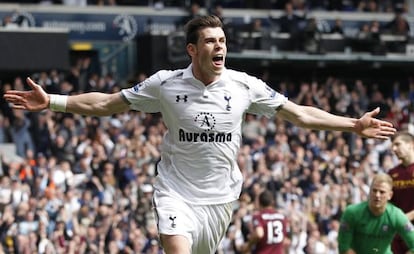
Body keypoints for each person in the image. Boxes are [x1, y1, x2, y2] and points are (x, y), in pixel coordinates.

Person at [4, 15, 396, 254]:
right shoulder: (166, 85)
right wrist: (53, 101)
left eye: (222, 41)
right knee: (176, 247)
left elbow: (300, 115)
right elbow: (107, 104)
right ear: (193, 50)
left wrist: (352, 125)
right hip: (175, 190)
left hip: (221, 198)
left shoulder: (245, 86)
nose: (219, 46)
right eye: (211, 41)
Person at [337, 173, 414, 254]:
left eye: (382, 192)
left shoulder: (396, 215)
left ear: (390, 195)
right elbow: (343, 246)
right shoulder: (352, 212)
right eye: (374, 190)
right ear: (369, 191)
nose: (377, 195)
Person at [388, 131, 414, 254]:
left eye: (397, 144)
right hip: (398, 233)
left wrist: (406, 217)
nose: (394, 149)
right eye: (393, 146)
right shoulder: (392, 173)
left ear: (411, 145)